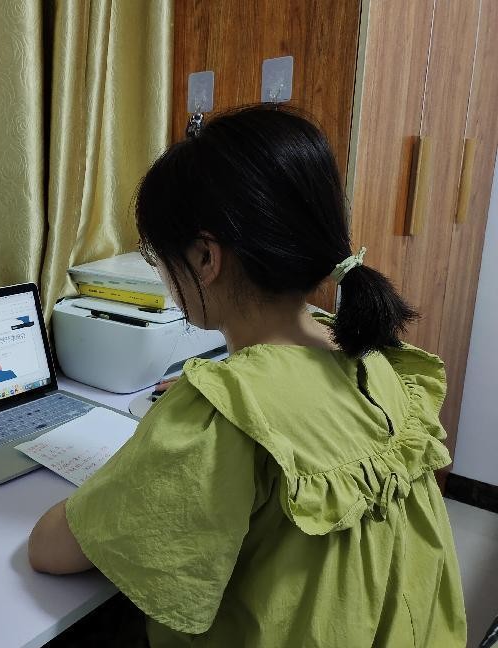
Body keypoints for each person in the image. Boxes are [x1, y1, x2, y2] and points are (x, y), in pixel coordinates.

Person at [28, 105, 467, 647]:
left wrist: (200, 417)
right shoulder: (372, 356)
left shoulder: (224, 414)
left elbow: (48, 550)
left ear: (205, 257)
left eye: (156, 256)